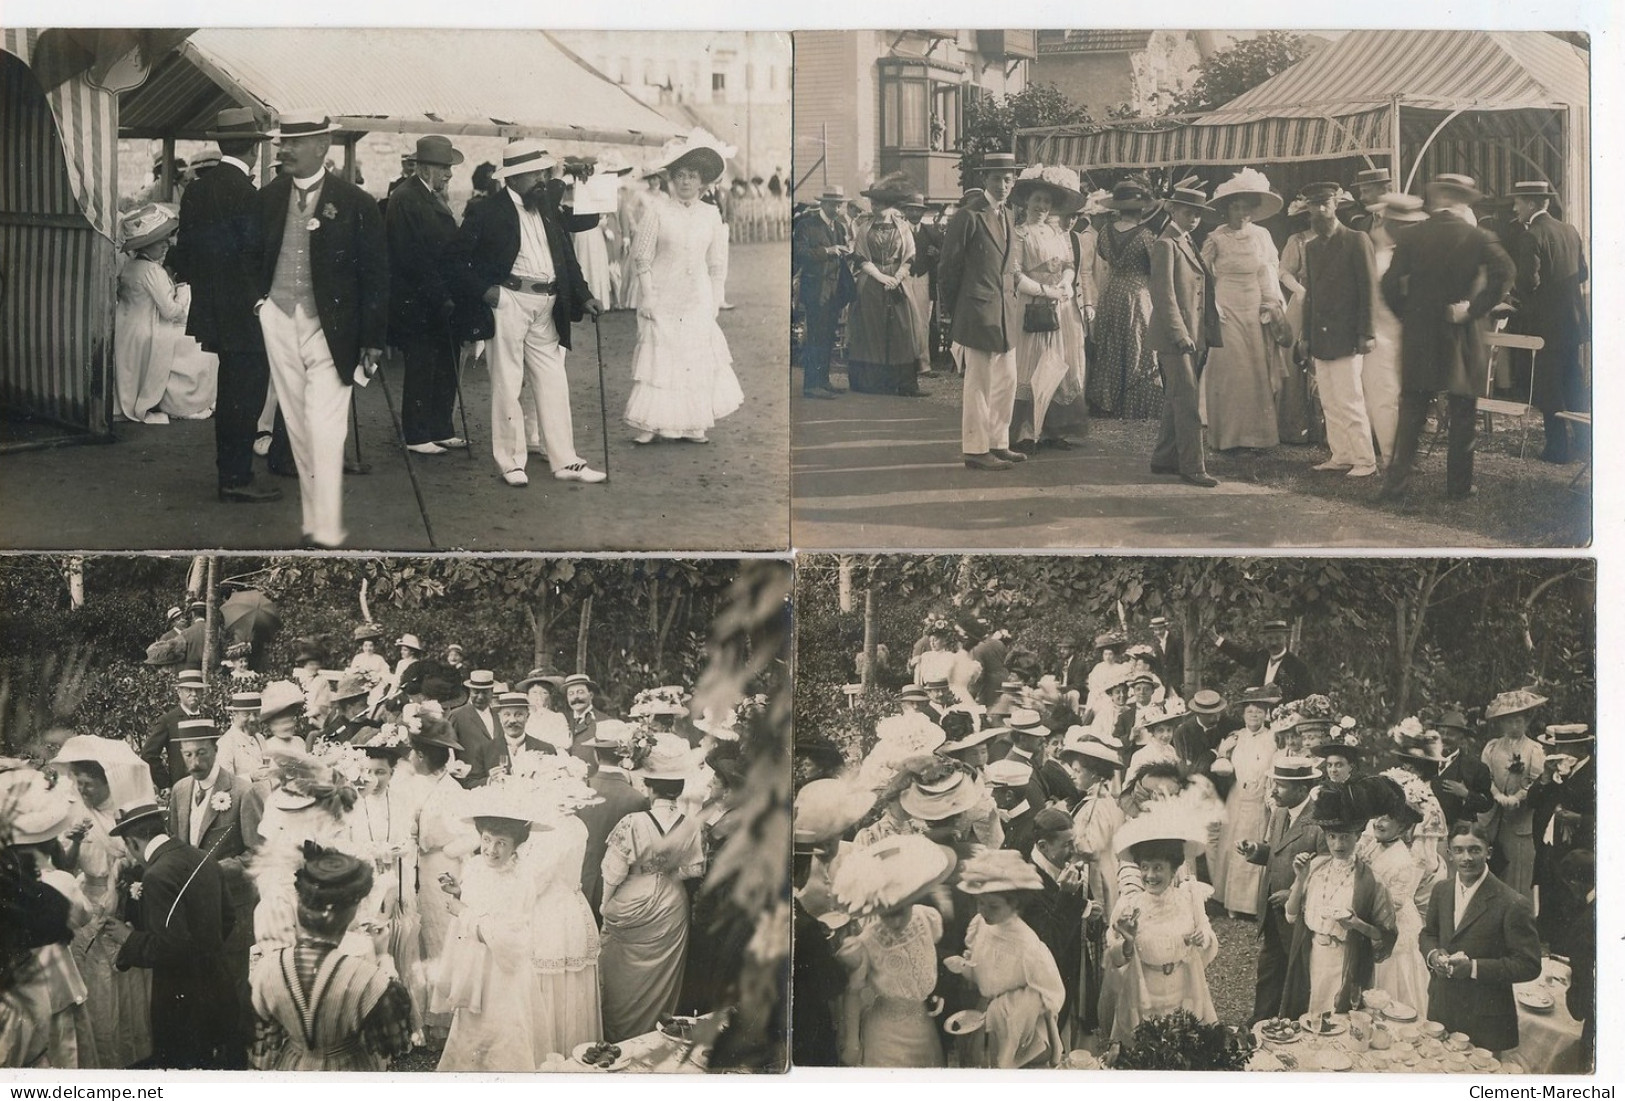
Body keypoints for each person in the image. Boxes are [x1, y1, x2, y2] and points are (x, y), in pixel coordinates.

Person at [250, 110, 388, 549]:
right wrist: (261, 303)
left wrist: (373, 338)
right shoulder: (269, 197)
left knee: (325, 427)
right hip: (279, 317)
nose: (284, 150)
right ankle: (313, 520)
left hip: (334, 328)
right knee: (295, 424)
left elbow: (377, 273)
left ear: (322, 147)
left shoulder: (355, 202)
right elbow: (248, 255)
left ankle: (327, 528)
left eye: (295, 142)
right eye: (282, 143)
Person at [449, 138, 605, 489]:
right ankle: (511, 462)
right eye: (534, 174)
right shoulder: (487, 211)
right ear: (512, 179)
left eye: (542, 172)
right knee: (506, 383)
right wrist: (487, 292)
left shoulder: (546, 207)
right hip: (509, 301)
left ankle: (566, 460)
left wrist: (584, 297)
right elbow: (454, 261)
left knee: (554, 382)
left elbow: (567, 256)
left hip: (547, 305)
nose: (541, 179)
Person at [1378, 173, 1515, 503]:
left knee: (1411, 410)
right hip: (1460, 333)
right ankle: (1458, 487)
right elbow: (1506, 274)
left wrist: (1409, 316)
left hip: (1419, 335)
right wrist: (1473, 310)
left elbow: (1388, 284)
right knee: (1463, 410)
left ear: (1437, 199)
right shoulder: (1479, 236)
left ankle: (1395, 487)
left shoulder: (1412, 236)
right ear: (1464, 202)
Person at [169, 107, 281, 503]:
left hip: (214, 309)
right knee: (244, 396)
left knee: (232, 391)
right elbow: (257, 257)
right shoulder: (248, 194)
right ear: (253, 148)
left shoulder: (198, 189)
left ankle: (231, 474)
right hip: (248, 314)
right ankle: (236, 478)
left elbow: (186, 253)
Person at [623, 129, 744, 442]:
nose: (686, 182)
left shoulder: (711, 215)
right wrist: (648, 295)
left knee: (693, 357)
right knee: (661, 356)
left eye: (692, 176)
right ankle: (651, 423)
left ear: (702, 181)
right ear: (670, 179)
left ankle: (693, 423)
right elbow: (642, 260)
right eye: (680, 175)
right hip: (662, 294)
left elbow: (717, 263)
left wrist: (715, 298)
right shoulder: (657, 211)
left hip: (697, 297)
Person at [249, 843, 413, 1070]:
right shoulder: (370, 979)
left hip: (293, 1067)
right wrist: (384, 957)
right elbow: (394, 1044)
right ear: (351, 912)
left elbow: (264, 1043)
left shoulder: (267, 969)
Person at [51, 737, 156, 1068]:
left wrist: (122, 879)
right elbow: (66, 867)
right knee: (97, 981)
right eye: (79, 784)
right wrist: (75, 841)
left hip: (126, 903)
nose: (84, 792)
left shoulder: (125, 813)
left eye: (90, 785)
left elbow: (141, 859)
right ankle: (104, 1056)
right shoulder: (76, 815)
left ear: (107, 781)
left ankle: (134, 1054)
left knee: (126, 977)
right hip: (88, 904)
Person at [109, 799, 237, 1069]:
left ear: (133, 843)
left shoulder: (157, 874)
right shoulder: (203, 856)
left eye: (129, 849)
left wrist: (128, 938)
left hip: (182, 999)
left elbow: (171, 948)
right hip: (218, 984)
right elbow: (228, 917)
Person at [598, 735, 706, 1041]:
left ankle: (619, 1037)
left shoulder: (633, 822)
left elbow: (613, 871)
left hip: (633, 897)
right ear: (680, 789)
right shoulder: (692, 824)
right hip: (672, 904)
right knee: (662, 980)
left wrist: (605, 905)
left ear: (649, 786)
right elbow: (695, 868)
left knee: (621, 979)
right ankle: (653, 1039)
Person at [830, 834, 955, 1067]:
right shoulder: (866, 941)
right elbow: (853, 993)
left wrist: (931, 994)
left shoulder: (927, 919)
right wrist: (852, 1042)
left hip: (924, 1028)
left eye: (901, 912)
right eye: (888, 915)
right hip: (886, 1036)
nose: (896, 922)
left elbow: (920, 965)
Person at [1419, 821, 1542, 1053]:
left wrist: (1474, 968)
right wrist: (1433, 954)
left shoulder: (1512, 903)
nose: (1466, 857)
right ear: (1449, 854)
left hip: (1485, 1018)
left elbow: (1529, 965)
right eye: (1459, 850)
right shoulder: (1441, 891)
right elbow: (1429, 933)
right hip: (1441, 1006)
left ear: (1489, 852)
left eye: (1474, 849)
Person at [939, 152, 1025, 472]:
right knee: (979, 383)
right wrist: (958, 308)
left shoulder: (1009, 215)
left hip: (1005, 311)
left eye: (1008, 179)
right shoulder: (969, 215)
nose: (1003, 185)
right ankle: (976, 449)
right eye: (996, 179)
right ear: (984, 179)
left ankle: (998, 442)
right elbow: (949, 268)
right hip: (977, 310)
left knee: (1007, 380)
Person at [1280, 779, 1396, 1017]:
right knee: (1308, 1015)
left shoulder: (1371, 881)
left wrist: (1357, 924)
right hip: (1311, 955)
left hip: (1345, 961)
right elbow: (1291, 916)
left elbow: (1386, 934)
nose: (1338, 844)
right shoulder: (1315, 868)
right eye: (1332, 836)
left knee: (1337, 1018)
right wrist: (1300, 879)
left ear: (1357, 836)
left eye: (1345, 837)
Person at [386, 134, 467, 456]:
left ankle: (440, 428)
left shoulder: (432, 195)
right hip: (418, 299)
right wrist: (440, 295)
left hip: (440, 296)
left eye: (449, 168)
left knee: (446, 360)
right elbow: (411, 256)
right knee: (422, 364)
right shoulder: (405, 198)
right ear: (424, 167)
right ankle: (417, 434)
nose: (449, 174)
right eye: (444, 167)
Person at [947, 849, 1065, 1068]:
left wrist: (1020, 1006)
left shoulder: (1027, 944)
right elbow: (981, 972)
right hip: (987, 1018)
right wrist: (964, 967)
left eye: (993, 906)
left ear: (1014, 905)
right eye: (980, 903)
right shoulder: (981, 926)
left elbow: (1052, 994)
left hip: (1020, 1029)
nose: (983, 911)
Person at [1296, 181, 1379, 478]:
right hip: (1321, 335)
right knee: (1329, 399)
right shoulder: (1311, 247)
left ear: (1336, 205)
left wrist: (1367, 332)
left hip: (1347, 335)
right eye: (1313, 205)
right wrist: (1305, 336)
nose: (1319, 210)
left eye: (1324, 204)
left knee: (1350, 397)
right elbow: (1311, 295)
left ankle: (1365, 460)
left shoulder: (1357, 240)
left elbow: (1369, 290)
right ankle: (1341, 454)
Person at [1201, 168, 1286, 453]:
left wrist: (1270, 303)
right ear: (1227, 209)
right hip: (1225, 304)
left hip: (1253, 306)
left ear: (1253, 211)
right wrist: (1211, 307)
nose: (1241, 214)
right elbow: (1203, 276)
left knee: (1254, 368)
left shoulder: (1262, 236)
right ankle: (1227, 436)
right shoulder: (1216, 238)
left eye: (1246, 209)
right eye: (1235, 207)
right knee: (1229, 367)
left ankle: (1256, 437)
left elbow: (1267, 272)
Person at [1504, 180, 1589, 463]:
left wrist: (1516, 297)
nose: (1515, 208)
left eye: (1517, 202)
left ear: (1530, 204)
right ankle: (1585, 443)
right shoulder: (1569, 230)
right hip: (1572, 324)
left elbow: (1528, 283)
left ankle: (1558, 450)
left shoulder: (1531, 236)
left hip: (1544, 328)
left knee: (1548, 389)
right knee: (1573, 385)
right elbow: (1582, 274)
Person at [406, 719, 477, 1046]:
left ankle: (444, 1021)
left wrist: (444, 849)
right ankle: (423, 1014)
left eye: (413, 752)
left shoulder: (451, 790)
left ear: (421, 755)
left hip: (442, 869)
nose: (410, 757)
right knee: (421, 937)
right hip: (417, 866)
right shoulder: (412, 784)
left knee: (440, 938)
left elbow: (472, 836)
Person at [114, 204, 218, 426]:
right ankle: (189, 402)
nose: (166, 245)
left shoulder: (132, 267)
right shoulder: (153, 271)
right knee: (201, 347)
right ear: (147, 244)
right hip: (150, 331)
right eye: (161, 241)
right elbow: (170, 311)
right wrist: (183, 291)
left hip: (126, 329)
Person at [1009, 165, 1089, 452]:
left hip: (1060, 305)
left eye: (1046, 201)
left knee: (1057, 363)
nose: (1042, 206)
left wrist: (1066, 285)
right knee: (1031, 365)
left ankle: (1053, 430)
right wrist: (1045, 291)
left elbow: (1069, 264)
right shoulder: (1019, 234)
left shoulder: (1058, 234)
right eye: (1037, 200)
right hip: (1033, 305)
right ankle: (1025, 433)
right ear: (1027, 201)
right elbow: (1016, 275)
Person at [1148, 182, 1220, 488]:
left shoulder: (1187, 241)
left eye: (1197, 214)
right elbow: (1163, 296)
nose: (1193, 218)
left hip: (1194, 332)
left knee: (1176, 396)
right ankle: (1192, 466)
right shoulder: (1166, 244)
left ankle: (1164, 457)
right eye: (1188, 212)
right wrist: (1180, 334)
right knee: (1188, 401)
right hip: (1176, 336)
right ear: (1172, 209)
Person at [1358, 772, 1433, 1017]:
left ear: (1401, 827)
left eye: (1387, 819)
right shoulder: (1372, 843)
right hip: (1370, 921)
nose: (1379, 823)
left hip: (1392, 927)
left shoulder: (1403, 861)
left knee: (1389, 983)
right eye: (1377, 816)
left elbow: (1393, 905)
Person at [1360, 192, 1425, 466]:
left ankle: (1399, 453)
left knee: (1395, 395)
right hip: (1381, 332)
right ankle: (1391, 455)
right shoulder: (1376, 256)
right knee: (1384, 395)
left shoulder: (1399, 253)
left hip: (1400, 333)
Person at [843, 172, 922, 397]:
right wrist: (880, 277)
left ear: (889, 205)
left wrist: (896, 278)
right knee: (871, 330)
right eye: (873, 203)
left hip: (897, 281)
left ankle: (904, 383)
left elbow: (909, 256)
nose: (874, 207)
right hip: (871, 283)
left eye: (878, 203)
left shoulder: (903, 228)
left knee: (902, 328)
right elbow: (860, 257)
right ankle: (872, 382)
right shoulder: (865, 228)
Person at [1478, 689, 1552, 902]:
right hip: (1493, 819)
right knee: (1492, 871)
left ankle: (1519, 925)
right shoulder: (1492, 748)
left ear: (1526, 722)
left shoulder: (1534, 749)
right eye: (1509, 722)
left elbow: (1537, 781)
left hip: (1520, 821)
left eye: (1518, 721)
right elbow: (1485, 776)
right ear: (1501, 723)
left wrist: (1517, 797)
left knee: (1518, 875)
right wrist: (1496, 794)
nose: (1514, 726)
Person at [1209, 686, 1278, 914]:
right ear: (1243, 714)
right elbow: (1221, 767)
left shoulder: (1273, 738)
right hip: (1239, 796)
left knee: (1257, 843)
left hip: (1261, 797)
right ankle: (1233, 904)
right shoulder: (1236, 737)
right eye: (1250, 711)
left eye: (1259, 711)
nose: (1254, 715)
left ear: (1266, 713)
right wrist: (1223, 752)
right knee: (1235, 845)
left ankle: (1254, 904)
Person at [1530, 723, 1595, 953]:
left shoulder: (1595, 773)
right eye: (1557, 746)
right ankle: (1554, 948)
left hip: (1578, 851)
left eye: (1563, 747)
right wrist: (1547, 776)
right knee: (1551, 898)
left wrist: (1578, 818)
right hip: (1551, 847)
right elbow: (1533, 801)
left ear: (1580, 748)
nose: (1558, 751)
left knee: (1571, 902)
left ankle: (1569, 951)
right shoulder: (1561, 771)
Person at [791, 186, 851, 399]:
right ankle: (811, 384)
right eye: (834, 203)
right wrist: (827, 251)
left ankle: (824, 380)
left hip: (834, 290)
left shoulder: (840, 227)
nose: (838, 207)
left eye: (839, 203)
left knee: (828, 336)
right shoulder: (806, 225)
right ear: (823, 204)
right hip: (816, 289)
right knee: (815, 336)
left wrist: (846, 251)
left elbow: (843, 250)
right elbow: (800, 252)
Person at [1213, 619, 1316, 701]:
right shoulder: (1261, 657)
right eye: (1270, 639)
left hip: (1282, 721)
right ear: (1264, 639)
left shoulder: (1298, 666)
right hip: (1257, 719)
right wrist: (1216, 639)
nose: (1274, 642)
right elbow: (1240, 655)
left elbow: (1304, 697)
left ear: (1286, 637)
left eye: (1278, 638)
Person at [139, 668, 208, 791]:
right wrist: (166, 784)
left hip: (209, 785)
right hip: (182, 787)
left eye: (197, 689)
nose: (193, 693)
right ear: (179, 692)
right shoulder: (168, 720)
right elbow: (148, 754)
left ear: (202, 692)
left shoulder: (208, 717)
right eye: (188, 689)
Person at [446, 669, 498, 786]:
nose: (480, 697)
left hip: (496, 781)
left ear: (492, 692)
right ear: (470, 691)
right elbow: (447, 749)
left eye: (485, 692)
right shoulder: (457, 715)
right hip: (469, 783)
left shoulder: (498, 715)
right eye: (476, 692)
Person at [491, 689, 558, 777]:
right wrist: (489, 780)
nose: (512, 720)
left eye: (518, 715)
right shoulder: (486, 750)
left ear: (527, 717)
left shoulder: (546, 749)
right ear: (500, 718)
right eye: (507, 715)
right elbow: (471, 781)